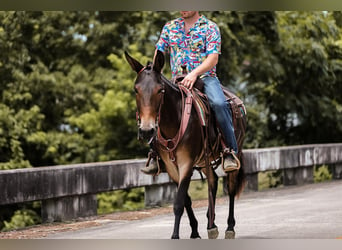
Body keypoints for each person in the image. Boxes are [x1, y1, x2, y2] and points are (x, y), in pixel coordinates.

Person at [141, 11, 238, 174]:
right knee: (153, 102)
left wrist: (194, 74)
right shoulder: (169, 27)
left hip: (205, 78)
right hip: (177, 81)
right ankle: (156, 156)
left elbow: (213, 58)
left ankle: (229, 151)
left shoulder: (210, 27)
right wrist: (154, 72)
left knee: (219, 104)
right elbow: (160, 52)